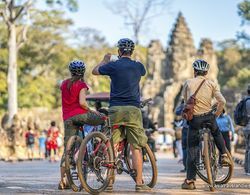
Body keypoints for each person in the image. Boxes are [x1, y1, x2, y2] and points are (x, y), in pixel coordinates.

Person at [92, 38, 150, 192]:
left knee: (112, 145)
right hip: (133, 110)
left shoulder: (113, 65)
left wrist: (104, 60)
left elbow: (94, 71)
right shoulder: (138, 66)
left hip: (116, 109)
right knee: (136, 147)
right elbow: (143, 71)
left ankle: (109, 183)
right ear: (132, 52)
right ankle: (139, 183)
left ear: (119, 51)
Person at [181, 59, 231, 190]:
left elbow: (186, 101)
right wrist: (216, 115)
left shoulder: (188, 83)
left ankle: (190, 181)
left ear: (195, 71)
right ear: (206, 72)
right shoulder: (211, 83)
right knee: (216, 132)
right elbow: (222, 101)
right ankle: (224, 155)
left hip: (195, 120)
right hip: (209, 117)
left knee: (192, 148)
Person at [59, 60, 105, 190]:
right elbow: (82, 103)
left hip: (67, 119)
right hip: (81, 115)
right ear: (83, 72)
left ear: (71, 71)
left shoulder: (63, 83)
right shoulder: (81, 85)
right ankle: (99, 142)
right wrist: (91, 110)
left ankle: (62, 181)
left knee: (67, 150)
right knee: (103, 119)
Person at [242, 85, 250, 176]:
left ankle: (247, 169)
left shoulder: (244, 101)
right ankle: (249, 170)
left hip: (245, 128)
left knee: (247, 149)